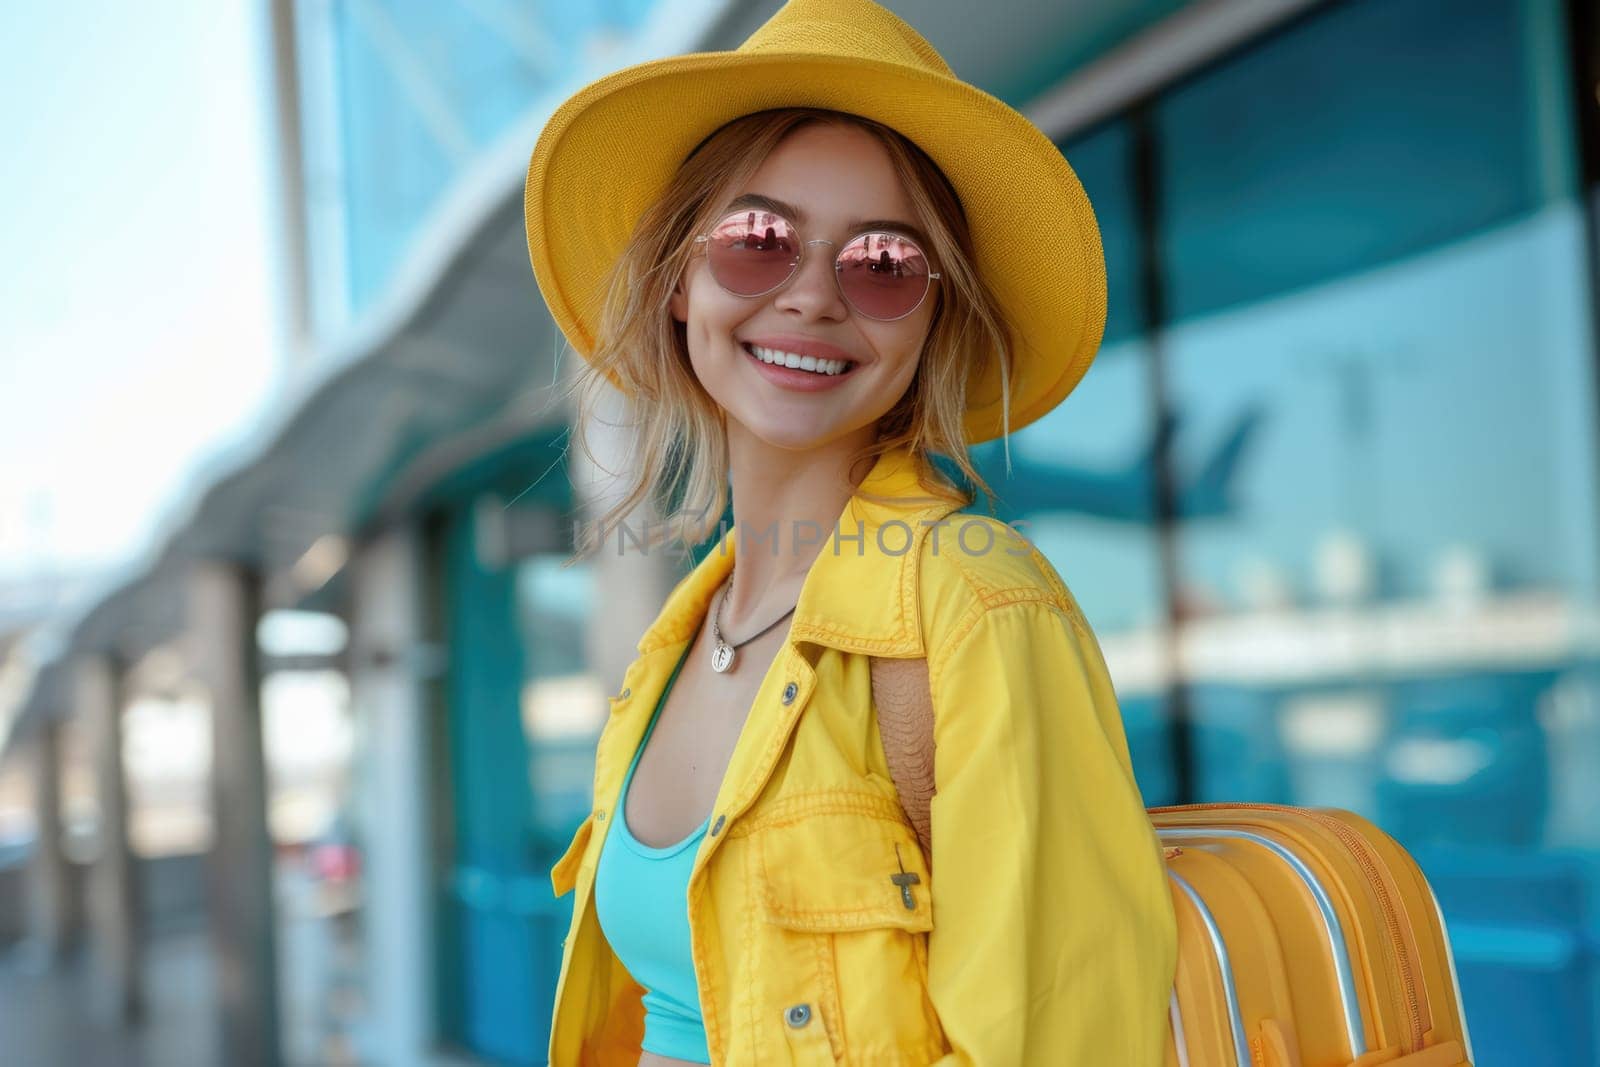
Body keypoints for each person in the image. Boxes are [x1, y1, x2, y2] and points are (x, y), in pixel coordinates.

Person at [525, 1, 1178, 1063]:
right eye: (757, 242)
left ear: (929, 322)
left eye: (882, 264)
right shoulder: (678, 639)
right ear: (679, 280)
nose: (814, 297)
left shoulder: (977, 604)